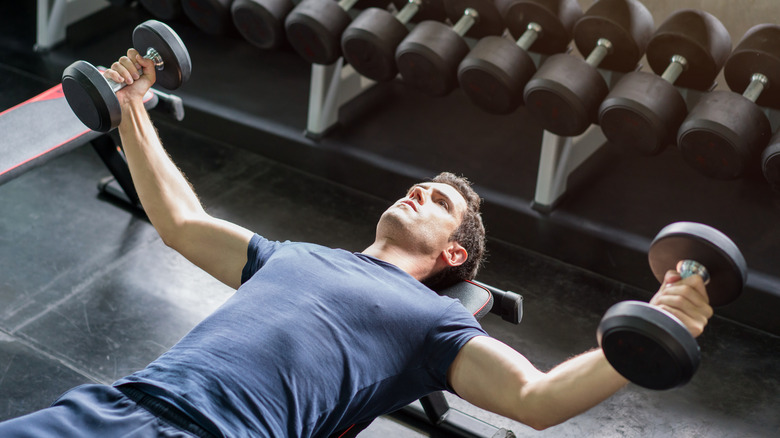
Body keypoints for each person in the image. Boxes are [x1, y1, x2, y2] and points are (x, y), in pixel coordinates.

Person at [0, 49, 714, 438]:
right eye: (421, 185)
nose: (418, 192)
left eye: (438, 200)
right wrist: (129, 111)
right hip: (117, 405)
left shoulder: (435, 322)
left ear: (454, 255)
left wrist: (659, 326)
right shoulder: (295, 255)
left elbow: (534, 397)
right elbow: (180, 222)